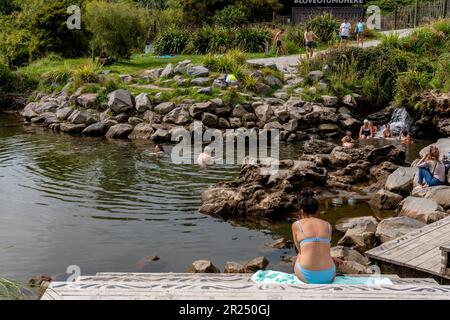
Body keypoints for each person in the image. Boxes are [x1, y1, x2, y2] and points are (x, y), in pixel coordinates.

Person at [292, 191, 338, 284]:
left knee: (300, 254)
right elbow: (326, 249)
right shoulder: (328, 225)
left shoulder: (297, 225)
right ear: (317, 211)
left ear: (301, 211)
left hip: (307, 275)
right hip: (329, 275)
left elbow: (300, 250)